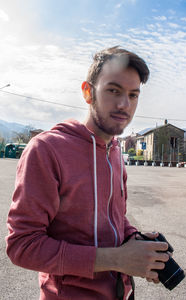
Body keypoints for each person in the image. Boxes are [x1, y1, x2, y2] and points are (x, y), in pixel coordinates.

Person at [6, 46, 169, 300]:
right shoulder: (47, 150)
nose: (124, 104)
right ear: (87, 91)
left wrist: (136, 242)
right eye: (113, 90)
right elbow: (22, 246)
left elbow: (115, 220)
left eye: (133, 95)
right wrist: (117, 259)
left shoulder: (115, 150)